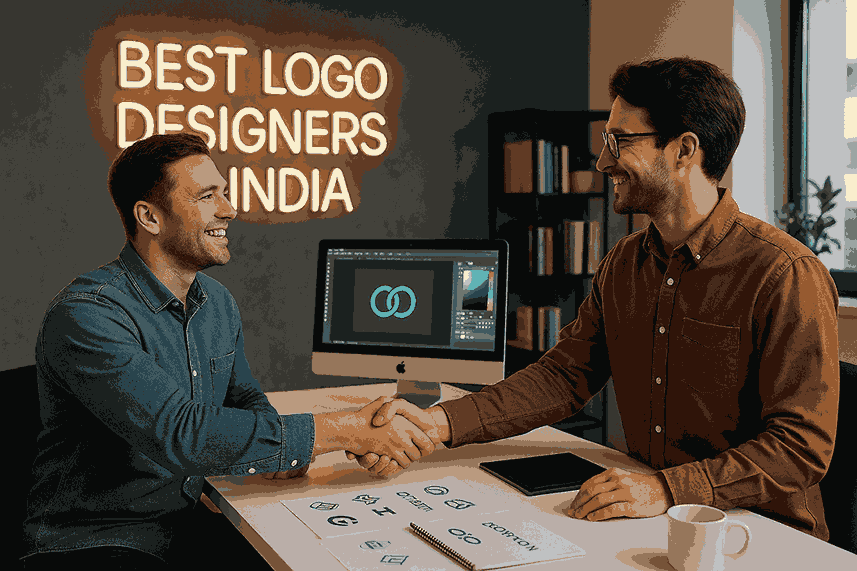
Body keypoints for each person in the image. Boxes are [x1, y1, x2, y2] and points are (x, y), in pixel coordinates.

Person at [361, 57, 840, 541]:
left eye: (620, 141)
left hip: (762, 537)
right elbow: (562, 377)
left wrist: (667, 489)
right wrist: (439, 422)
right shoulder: (623, 262)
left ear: (684, 149)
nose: (603, 161)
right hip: (651, 520)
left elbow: (800, 446)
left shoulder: (785, 273)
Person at [21, 133, 436, 569]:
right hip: (101, 540)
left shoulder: (216, 302)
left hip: (189, 522)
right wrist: (347, 430)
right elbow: (181, 433)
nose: (229, 210)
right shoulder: (86, 315)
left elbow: (244, 398)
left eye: (225, 193)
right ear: (149, 217)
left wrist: (287, 452)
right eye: (206, 196)